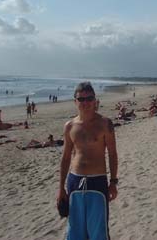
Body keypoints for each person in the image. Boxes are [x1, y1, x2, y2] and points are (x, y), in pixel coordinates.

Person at [57, 82, 118, 240]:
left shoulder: (105, 124)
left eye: (89, 98)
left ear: (95, 100)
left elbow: (112, 154)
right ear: (75, 101)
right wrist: (61, 188)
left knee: (98, 231)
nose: (85, 103)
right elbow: (65, 158)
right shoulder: (69, 126)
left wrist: (113, 182)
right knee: (75, 231)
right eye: (81, 99)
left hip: (97, 181)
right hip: (74, 181)